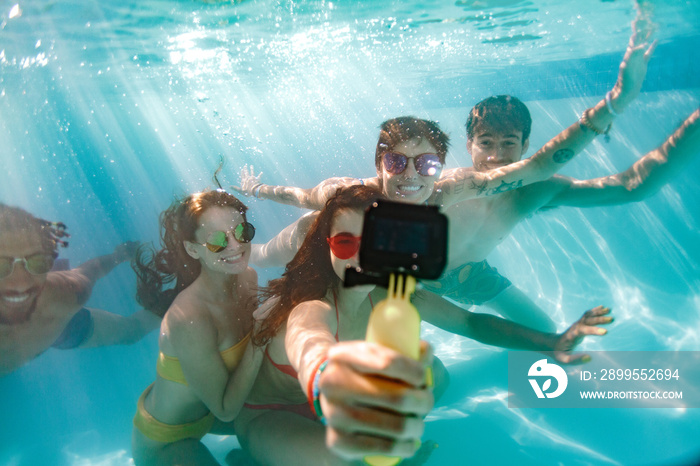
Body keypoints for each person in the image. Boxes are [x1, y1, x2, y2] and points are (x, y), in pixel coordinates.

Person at [233, 20, 661, 332]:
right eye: (486, 142)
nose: (495, 156)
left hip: (466, 276)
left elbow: (562, 173)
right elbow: (303, 195)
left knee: (546, 331)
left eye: (508, 143)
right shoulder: (390, 190)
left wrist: (612, 106)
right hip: (401, 275)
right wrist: (258, 189)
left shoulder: (486, 190)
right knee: (288, 243)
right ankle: (240, 261)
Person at [236, 186, 613, 465]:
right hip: (275, 412)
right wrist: (329, 381)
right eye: (346, 242)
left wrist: (552, 341)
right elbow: (310, 344)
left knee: (437, 377)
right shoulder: (312, 307)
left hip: (338, 408)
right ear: (328, 247)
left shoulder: (394, 292)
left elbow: (470, 323)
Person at [131, 189, 263, 465]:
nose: (236, 245)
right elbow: (226, 408)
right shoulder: (188, 317)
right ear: (192, 249)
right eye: (217, 241)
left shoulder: (248, 278)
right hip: (166, 438)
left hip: (211, 417)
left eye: (242, 231)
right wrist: (262, 336)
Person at [0, 204, 160, 376]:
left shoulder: (62, 297)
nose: (21, 285)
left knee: (132, 332)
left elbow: (87, 272)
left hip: (60, 326)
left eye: (38, 263)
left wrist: (119, 256)